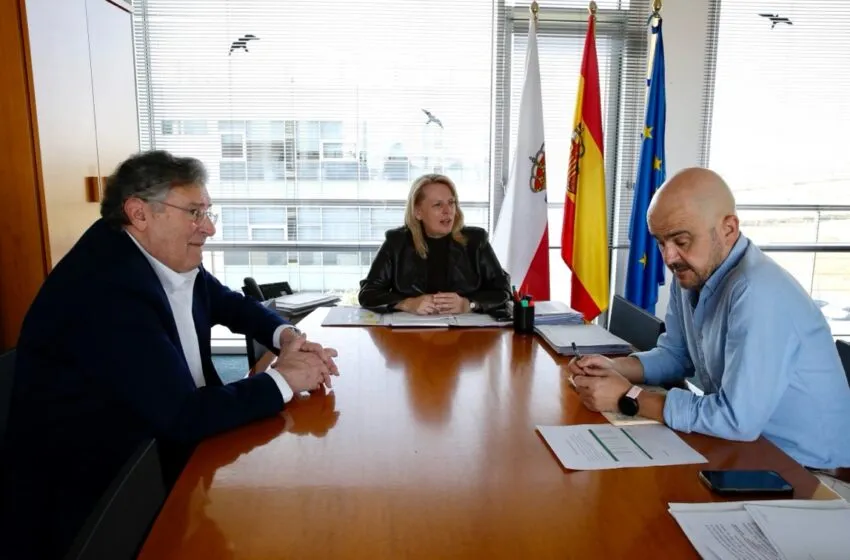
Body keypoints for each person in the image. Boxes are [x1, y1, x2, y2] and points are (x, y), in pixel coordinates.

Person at [0, 150, 339, 558]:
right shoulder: (106, 289)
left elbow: (226, 302)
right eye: (195, 213)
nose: (209, 227)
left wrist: (285, 336)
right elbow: (183, 417)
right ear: (139, 213)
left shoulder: (153, 254)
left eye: (208, 211)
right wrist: (284, 379)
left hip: (158, 455)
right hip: (100, 500)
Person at [567, 167, 850, 469]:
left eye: (681, 241)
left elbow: (736, 419)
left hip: (811, 473)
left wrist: (627, 396)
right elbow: (677, 355)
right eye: (660, 242)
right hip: (748, 449)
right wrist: (613, 367)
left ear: (728, 229)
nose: (669, 258)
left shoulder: (757, 291)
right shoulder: (692, 272)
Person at [358, 173, 511, 315]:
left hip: (465, 332)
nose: (448, 211)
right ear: (418, 212)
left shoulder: (476, 241)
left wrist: (469, 304)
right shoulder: (396, 243)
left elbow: (503, 291)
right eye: (438, 205)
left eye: (451, 203)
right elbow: (368, 293)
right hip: (412, 333)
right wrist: (407, 303)